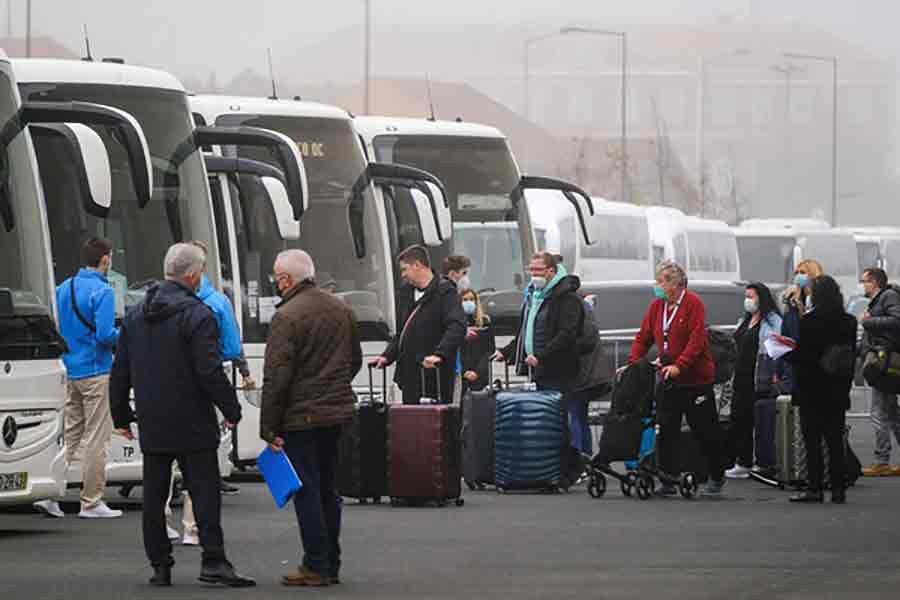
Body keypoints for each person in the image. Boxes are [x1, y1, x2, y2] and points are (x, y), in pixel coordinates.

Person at [109, 243, 254, 587]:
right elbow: (209, 370)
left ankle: (160, 565)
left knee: (155, 494)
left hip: (152, 417)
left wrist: (121, 416)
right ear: (193, 275)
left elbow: (121, 371)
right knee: (204, 491)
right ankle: (213, 561)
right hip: (192, 418)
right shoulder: (197, 314)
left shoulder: (135, 315)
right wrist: (231, 409)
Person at [260, 249, 362, 587]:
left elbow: (277, 377)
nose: (276, 282)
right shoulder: (341, 307)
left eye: (277, 277)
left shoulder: (286, 316)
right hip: (338, 413)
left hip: (300, 417)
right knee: (329, 489)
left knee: (307, 491)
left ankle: (316, 564)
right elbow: (355, 360)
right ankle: (331, 562)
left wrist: (268, 426)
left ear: (287, 280)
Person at [34, 238, 122, 519]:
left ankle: (49, 494)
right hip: (96, 371)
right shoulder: (103, 292)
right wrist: (128, 336)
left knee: (70, 434)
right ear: (105, 259)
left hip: (68, 369)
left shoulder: (63, 287)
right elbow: (106, 335)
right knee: (97, 437)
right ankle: (92, 501)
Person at [628, 261, 727, 496]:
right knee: (667, 429)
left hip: (695, 380)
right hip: (669, 380)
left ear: (675, 284)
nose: (657, 285)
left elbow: (697, 340)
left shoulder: (693, 303)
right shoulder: (657, 307)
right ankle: (669, 478)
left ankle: (716, 475)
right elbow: (643, 337)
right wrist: (633, 363)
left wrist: (680, 366)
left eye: (661, 281)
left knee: (704, 430)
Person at [786, 275, 857, 503]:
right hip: (837, 388)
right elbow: (848, 356)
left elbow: (804, 356)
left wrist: (787, 352)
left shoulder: (809, 321)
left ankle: (814, 488)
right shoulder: (849, 321)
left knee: (812, 441)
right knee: (835, 441)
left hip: (811, 389)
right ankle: (838, 489)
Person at [371, 245, 466, 405]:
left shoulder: (445, 292)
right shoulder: (405, 293)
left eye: (404, 269)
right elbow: (402, 332)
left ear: (417, 265)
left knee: (436, 425)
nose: (403, 275)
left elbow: (457, 327)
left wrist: (439, 355)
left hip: (435, 376)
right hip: (409, 376)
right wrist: (387, 356)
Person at [494, 252, 584, 391]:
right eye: (532, 270)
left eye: (539, 270)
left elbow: (567, 334)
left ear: (551, 270)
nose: (534, 274)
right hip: (538, 370)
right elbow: (527, 332)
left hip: (559, 371)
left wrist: (541, 357)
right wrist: (506, 351)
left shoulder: (566, 297)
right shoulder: (534, 297)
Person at [724, 283, 783, 479]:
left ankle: (761, 461)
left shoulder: (772, 321)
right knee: (739, 418)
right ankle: (743, 460)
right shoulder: (746, 320)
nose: (748, 300)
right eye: (746, 296)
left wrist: (776, 373)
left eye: (752, 296)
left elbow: (776, 350)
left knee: (757, 419)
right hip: (740, 376)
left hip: (758, 375)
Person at [858, 267, 900, 477]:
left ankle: (882, 459)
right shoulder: (882, 299)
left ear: (874, 282)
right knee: (891, 413)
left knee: (879, 412)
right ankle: (883, 458)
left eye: (864, 281)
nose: (862, 285)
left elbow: (896, 320)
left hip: (884, 361)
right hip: (882, 360)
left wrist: (868, 321)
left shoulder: (888, 296)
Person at [459, 288, 495, 394]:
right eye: (464, 300)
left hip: (481, 374)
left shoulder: (485, 322)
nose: (468, 302)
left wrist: (477, 372)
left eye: (471, 299)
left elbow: (489, 349)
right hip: (462, 375)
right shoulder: (455, 323)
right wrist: (464, 371)